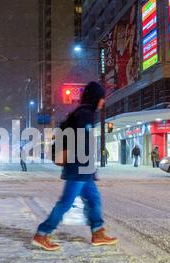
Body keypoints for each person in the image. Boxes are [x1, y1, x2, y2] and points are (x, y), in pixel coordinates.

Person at [32, 82, 117, 251]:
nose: (103, 102)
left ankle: (98, 232)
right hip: (78, 167)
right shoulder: (84, 114)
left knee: (93, 199)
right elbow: (80, 142)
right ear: (95, 98)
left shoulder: (84, 113)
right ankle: (42, 233)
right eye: (101, 98)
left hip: (83, 168)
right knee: (66, 203)